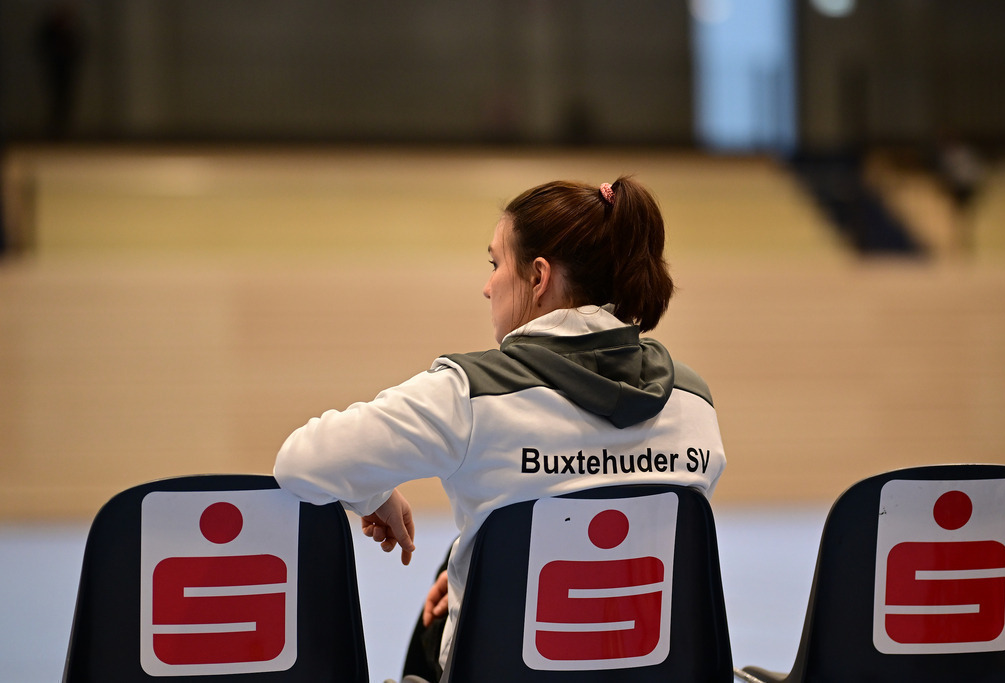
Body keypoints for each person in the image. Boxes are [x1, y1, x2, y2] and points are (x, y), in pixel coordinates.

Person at [273, 176, 727, 680]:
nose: (487, 286)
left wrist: (372, 493)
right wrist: (483, 579)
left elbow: (300, 464)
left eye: (495, 264)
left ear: (538, 277)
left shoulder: (468, 397)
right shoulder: (692, 402)